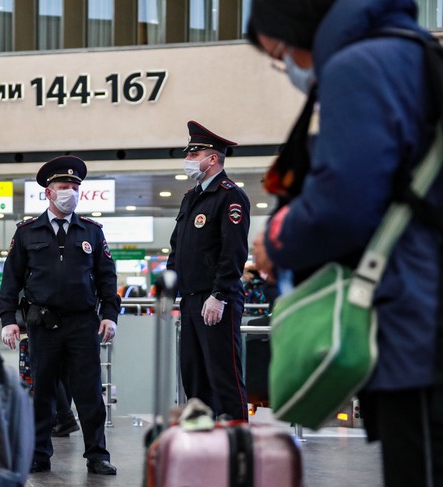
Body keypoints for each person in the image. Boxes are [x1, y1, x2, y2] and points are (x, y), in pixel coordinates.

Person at [248, 0, 443, 485]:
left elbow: (343, 203)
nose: (285, 68)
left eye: (280, 54)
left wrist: (277, 239)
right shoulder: (413, 53)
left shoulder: (361, 66)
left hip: (415, 325)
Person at [0, 155, 119, 475]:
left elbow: (107, 278)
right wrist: (8, 318)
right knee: (43, 392)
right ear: (48, 193)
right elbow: (11, 280)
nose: (71, 192)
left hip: (83, 322)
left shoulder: (92, 231)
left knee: (89, 392)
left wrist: (110, 315)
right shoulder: (27, 233)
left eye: (75, 187)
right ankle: (39, 454)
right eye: (64, 187)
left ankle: (97, 454)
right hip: (43, 323)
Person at [167, 121, 251, 420]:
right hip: (190, 299)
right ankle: (202, 442)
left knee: (223, 373)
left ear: (212, 158)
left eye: (194, 154)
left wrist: (219, 294)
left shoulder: (230, 196)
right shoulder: (192, 197)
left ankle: (238, 441)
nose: (189, 160)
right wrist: (170, 286)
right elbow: (178, 246)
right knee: (194, 375)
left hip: (216, 299)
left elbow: (234, 253)